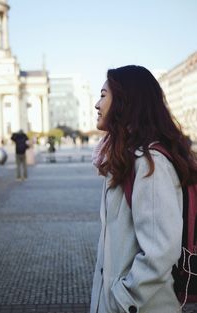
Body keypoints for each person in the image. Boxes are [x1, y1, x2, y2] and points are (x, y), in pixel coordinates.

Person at [90, 65, 197, 313]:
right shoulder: (123, 158)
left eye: (103, 95)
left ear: (126, 102)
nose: (97, 104)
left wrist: (124, 299)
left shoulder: (150, 163)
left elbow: (159, 250)